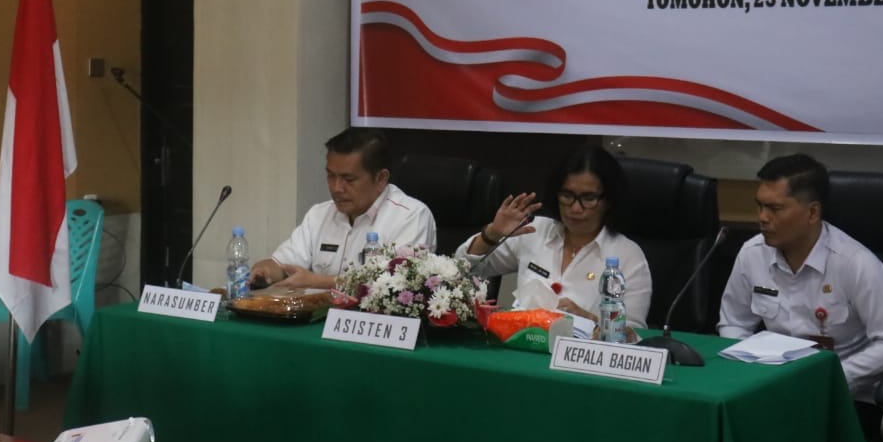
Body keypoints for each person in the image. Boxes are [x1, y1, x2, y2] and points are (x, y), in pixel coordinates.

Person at [717, 153, 883, 403]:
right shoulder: (752, 254)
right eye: (760, 206)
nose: (763, 218)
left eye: (775, 209)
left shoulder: (856, 264)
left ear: (812, 212)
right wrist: (752, 369)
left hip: (844, 396)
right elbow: (734, 323)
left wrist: (830, 376)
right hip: (774, 389)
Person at [457, 144, 652, 329]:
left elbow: (634, 333)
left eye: (588, 198)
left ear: (608, 200)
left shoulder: (628, 255)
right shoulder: (534, 231)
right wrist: (492, 234)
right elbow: (462, 270)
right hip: (523, 345)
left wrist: (589, 320)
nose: (575, 208)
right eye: (567, 196)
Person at [249, 128, 436, 289]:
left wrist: (318, 282)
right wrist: (266, 271)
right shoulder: (319, 215)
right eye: (331, 176)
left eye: (349, 179)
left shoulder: (411, 216)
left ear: (381, 179)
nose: (337, 188)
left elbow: (399, 286)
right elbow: (282, 265)